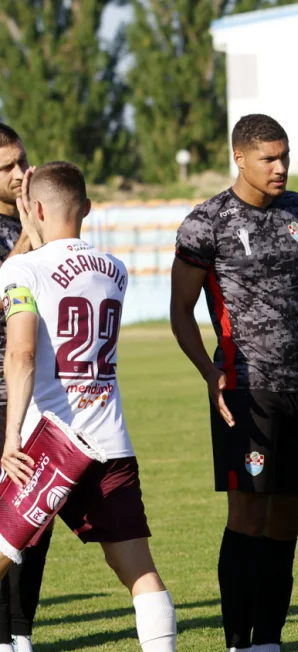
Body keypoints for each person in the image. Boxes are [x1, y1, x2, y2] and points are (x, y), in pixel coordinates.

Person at [170, 114, 298, 652]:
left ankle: (269, 640)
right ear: (240, 158)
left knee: (289, 515)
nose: (281, 167)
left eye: (285, 156)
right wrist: (209, 372)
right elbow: (180, 313)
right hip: (243, 388)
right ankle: (238, 641)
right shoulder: (204, 222)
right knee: (249, 513)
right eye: (269, 158)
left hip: (296, 388)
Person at [0, 161, 177, 651]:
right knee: (139, 573)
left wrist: (12, 433)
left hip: (47, 444)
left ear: (33, 209)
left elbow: (21, 353)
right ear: (89, 208)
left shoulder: (22, 269)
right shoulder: (115, 269)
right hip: (109, 439)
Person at [0, 124, 50, 652]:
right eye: (7, 168)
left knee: (34, 520)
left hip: (38, 394)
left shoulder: (39, 217)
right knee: (1, 521)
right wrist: (26, 241)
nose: (18, 175)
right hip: (1, 391)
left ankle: (22, 632)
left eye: (23, 163)